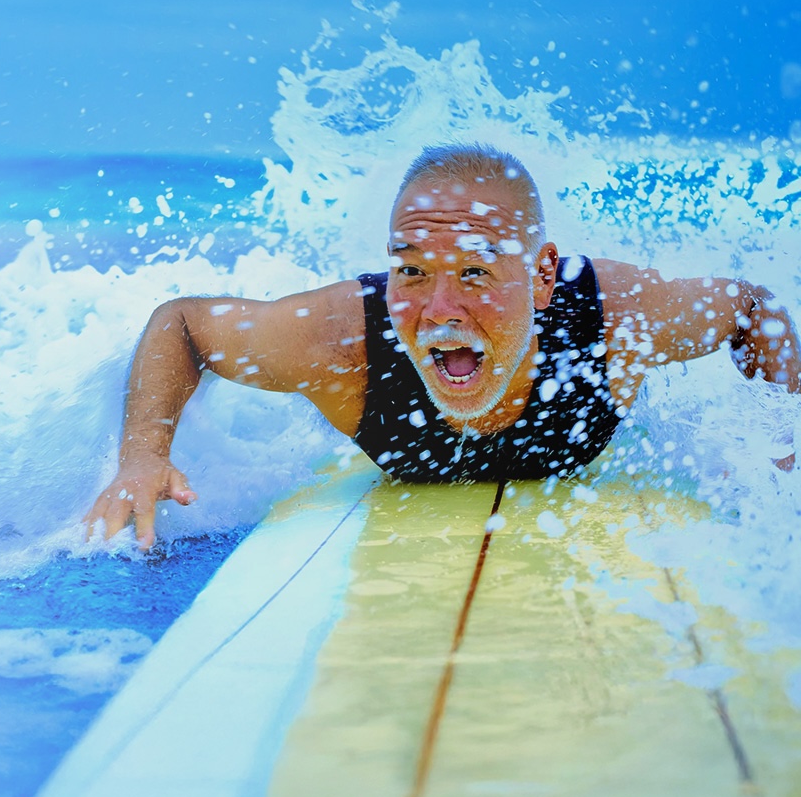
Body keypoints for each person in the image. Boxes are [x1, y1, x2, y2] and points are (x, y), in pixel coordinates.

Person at [86, 143, 800, 547]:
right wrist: (144, 455)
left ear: (542, 275)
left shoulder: (615, 322)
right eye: (412, 271)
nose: (438, 310)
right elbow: (182, 325)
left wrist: (782, 454)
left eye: (476, 274)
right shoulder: (344, 344)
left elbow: (751, 308)